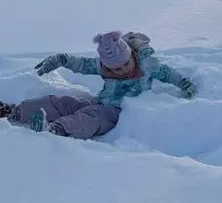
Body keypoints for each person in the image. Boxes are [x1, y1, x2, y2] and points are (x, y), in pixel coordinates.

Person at [0, 31, 197, 140]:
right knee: (62, 103)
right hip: (101, 102)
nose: (123, 70)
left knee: (88, 118)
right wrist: (62, 59)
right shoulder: (105, 67)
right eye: (117, 69)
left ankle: (56, 130)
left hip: (117, 112)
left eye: (126, 64)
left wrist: (183, 82)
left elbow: (167, 73)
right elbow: (82, 65)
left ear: (131, 55)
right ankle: (14, 111)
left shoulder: (147, 64)